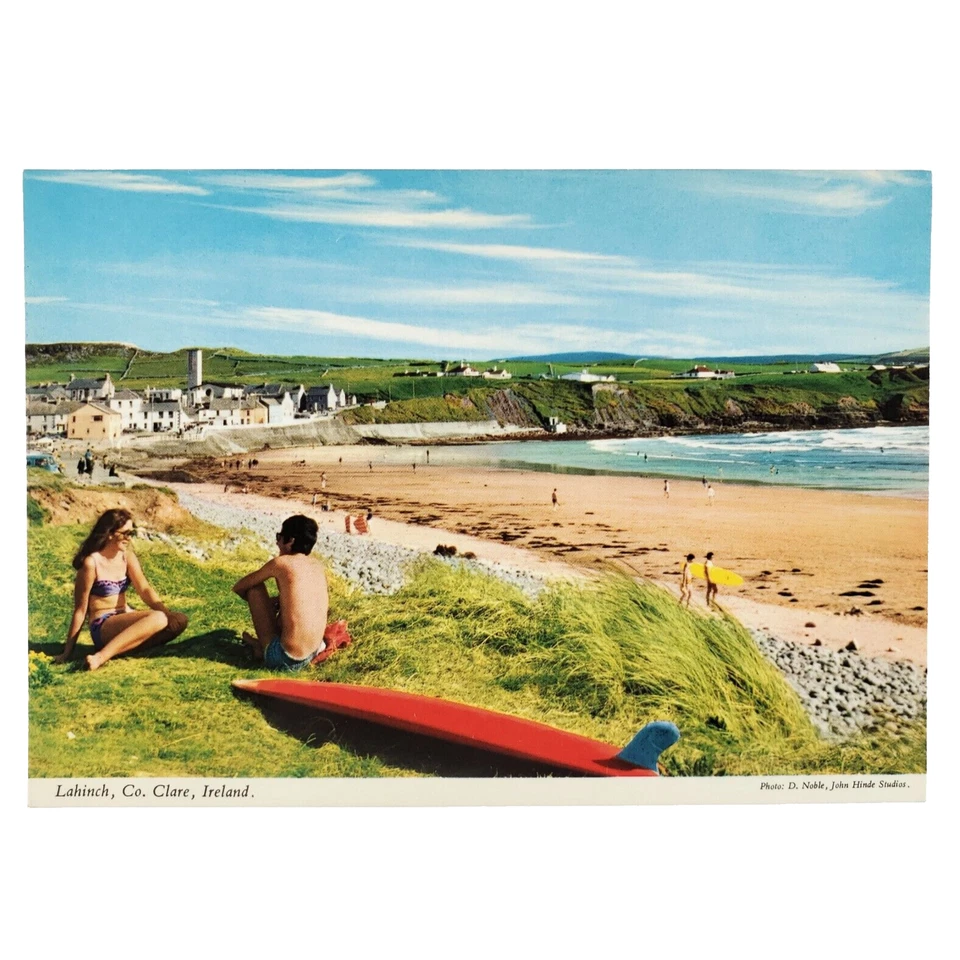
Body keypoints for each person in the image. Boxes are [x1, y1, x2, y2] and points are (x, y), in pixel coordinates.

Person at [55, 509, 189, 670]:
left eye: (131, 533)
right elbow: (80, 610)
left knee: (179, 620)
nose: (128, 538)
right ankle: (100, 657)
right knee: (159, 618)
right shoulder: (91, 563)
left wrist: (169, 614)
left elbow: (144, 589)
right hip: (103, 625)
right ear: (109, 533)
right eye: (125, 533)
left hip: (124, 616)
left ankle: (123, 648)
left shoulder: (127, 556)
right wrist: (67, 653)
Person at [232, 514, 329, 672]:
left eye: (279, 537)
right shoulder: (317, 565)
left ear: (290, 541)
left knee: (254, 589)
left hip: (284, 659)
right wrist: (279, 602)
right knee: (286, 601)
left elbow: (240, 586)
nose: (277, 542)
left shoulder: (281, 563)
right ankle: (260, 645)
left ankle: (262, 648)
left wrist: (264, 607)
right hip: (312, 653)